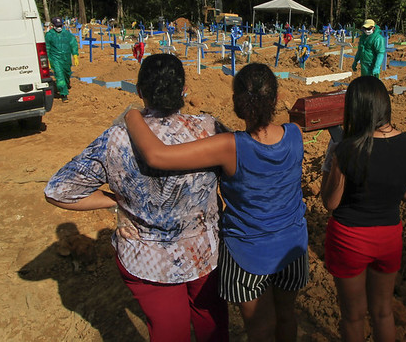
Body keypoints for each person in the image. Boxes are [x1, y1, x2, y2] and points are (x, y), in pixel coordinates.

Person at [44, 53, 229, 342]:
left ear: (140, 91)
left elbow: (58, 191)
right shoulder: (209, 128)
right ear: (183, 90)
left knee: (169, 331)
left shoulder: (116, 138)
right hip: (205, 252)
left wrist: (113, 199)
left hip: (147, 260)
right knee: (211, 320)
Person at [124, 62, 308, 342]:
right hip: (292, 249)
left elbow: (157, 156)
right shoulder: (295, 134)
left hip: (249, 256)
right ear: (276, 99)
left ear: (236, 102)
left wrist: (131, 115)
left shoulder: (229, 146)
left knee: (260, 330)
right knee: (286, 317)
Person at [321, 76, 406, 342]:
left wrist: (331, 160)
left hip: (349, 239)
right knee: (383, 312)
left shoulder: (347, 149)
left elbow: (330, 203)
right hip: (389, 237)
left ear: (356, 109)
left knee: (353, 316)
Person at [45, 16, 79, 102]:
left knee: (67, 73)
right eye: (57, 26)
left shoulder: (67, 34)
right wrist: (48, 59)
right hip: (55, 58)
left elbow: (73, 43)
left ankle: (66, 85)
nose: (59, 28)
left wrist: (75, 55)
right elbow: (47, 47)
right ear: (53, 26)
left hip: (66, 58)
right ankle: (64, 94)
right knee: (60, 76)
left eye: (60, 26)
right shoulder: (49, 35)